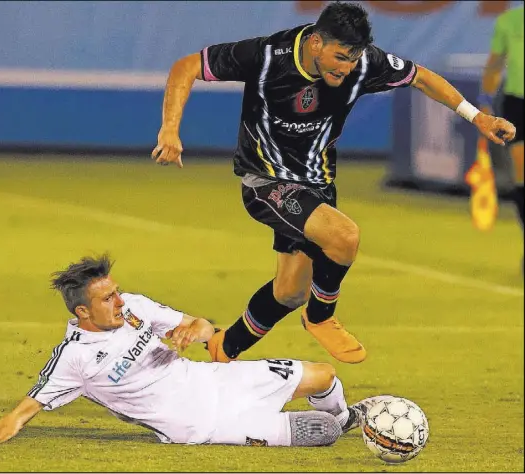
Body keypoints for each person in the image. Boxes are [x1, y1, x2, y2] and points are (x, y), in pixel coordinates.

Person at [151, 2, 516, 364]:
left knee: (289, 292)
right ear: (315, 43)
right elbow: (187, 66)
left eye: (354, 58)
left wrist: (477, 117)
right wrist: (170, 129)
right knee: (344, 236)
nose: (348, 67)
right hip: (266, 181)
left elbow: (421, 76)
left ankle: (221, 350)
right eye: (340, 57)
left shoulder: (366, 64)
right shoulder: (266, 56)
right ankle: (321, 317)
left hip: (318, 185)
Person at [0, 255, 385, 447]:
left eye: (116, 291)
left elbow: (200, 325)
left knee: (325, 375)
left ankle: (349, 417)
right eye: (107, 299)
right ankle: (335, 425)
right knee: (322, 432)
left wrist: (195, 329)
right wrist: (4, 429)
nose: (119, 301)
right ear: (82, 311)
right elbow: (28, 406)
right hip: (198, 425)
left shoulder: (136, 306)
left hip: (215, 380)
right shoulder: (74, 357)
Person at [478, 5, 524, 267]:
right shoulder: (509, 22)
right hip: (518, 104)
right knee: (521, 175)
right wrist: (485, 102)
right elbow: (495, 64)